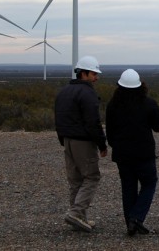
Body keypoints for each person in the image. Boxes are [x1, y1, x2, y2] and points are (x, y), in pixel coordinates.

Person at [106, 68, 159, 236]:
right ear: (140, 85)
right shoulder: (148, 103)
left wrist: (115, 146)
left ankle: (130, 224)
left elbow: (110, 132)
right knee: (149, 183)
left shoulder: (112, 105)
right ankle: (136, 217)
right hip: (144, 154)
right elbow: (158, 126)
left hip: (122, 155)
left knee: (128, 188)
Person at [54, 55, 108, 233]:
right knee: (91, 176)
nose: (96, 77)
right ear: (83, 73)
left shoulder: (64, 91)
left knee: (75, 179)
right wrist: (102, 144)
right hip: (83, 142)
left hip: (67, 140)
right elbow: (93, 122)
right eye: (93, 73)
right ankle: (76, 213)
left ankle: (78, 217)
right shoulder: (87, 93)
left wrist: (62, 139)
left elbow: (58, 117)